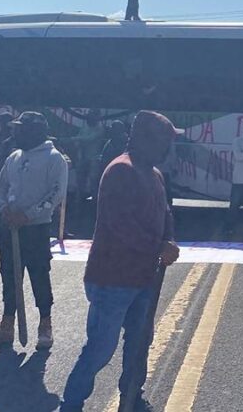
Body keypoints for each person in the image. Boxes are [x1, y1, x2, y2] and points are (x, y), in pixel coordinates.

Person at [61, 111, 181, 412]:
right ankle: (72, 403)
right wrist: (158, 247)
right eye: (164, 141)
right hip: (112, 278)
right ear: (146, 140)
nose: (167, 148)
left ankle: (131, 397)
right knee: (101, 348)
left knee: (140, 343)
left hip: (143, 276)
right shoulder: (120, 170)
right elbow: (120, 224)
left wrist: (169, 241)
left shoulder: (154, 174)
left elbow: (165, 213)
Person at [0, 112, 68, 350]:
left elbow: (56, 193)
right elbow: (1, 186)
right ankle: (7, 326)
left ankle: (45, 325)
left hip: (36, 229)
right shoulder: (14, 157)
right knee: (9, 276)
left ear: (36, 131)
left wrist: (28, 214)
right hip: (10, 227)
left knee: (39, 275)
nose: (17, 133)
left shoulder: (53, 158)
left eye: (22, 129)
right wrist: (4, 209)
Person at [71, 109, 105, 201]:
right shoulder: (85, 127)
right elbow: (79, 138)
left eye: (91, 117)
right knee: (80, 180)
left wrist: (75, 139)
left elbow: (89, 139)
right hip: (83, 157)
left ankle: (94, 200)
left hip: (95, 157)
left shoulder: (100, 129)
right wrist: (77, 143)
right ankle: (79, 199)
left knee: (93, 180)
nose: (89, 119)